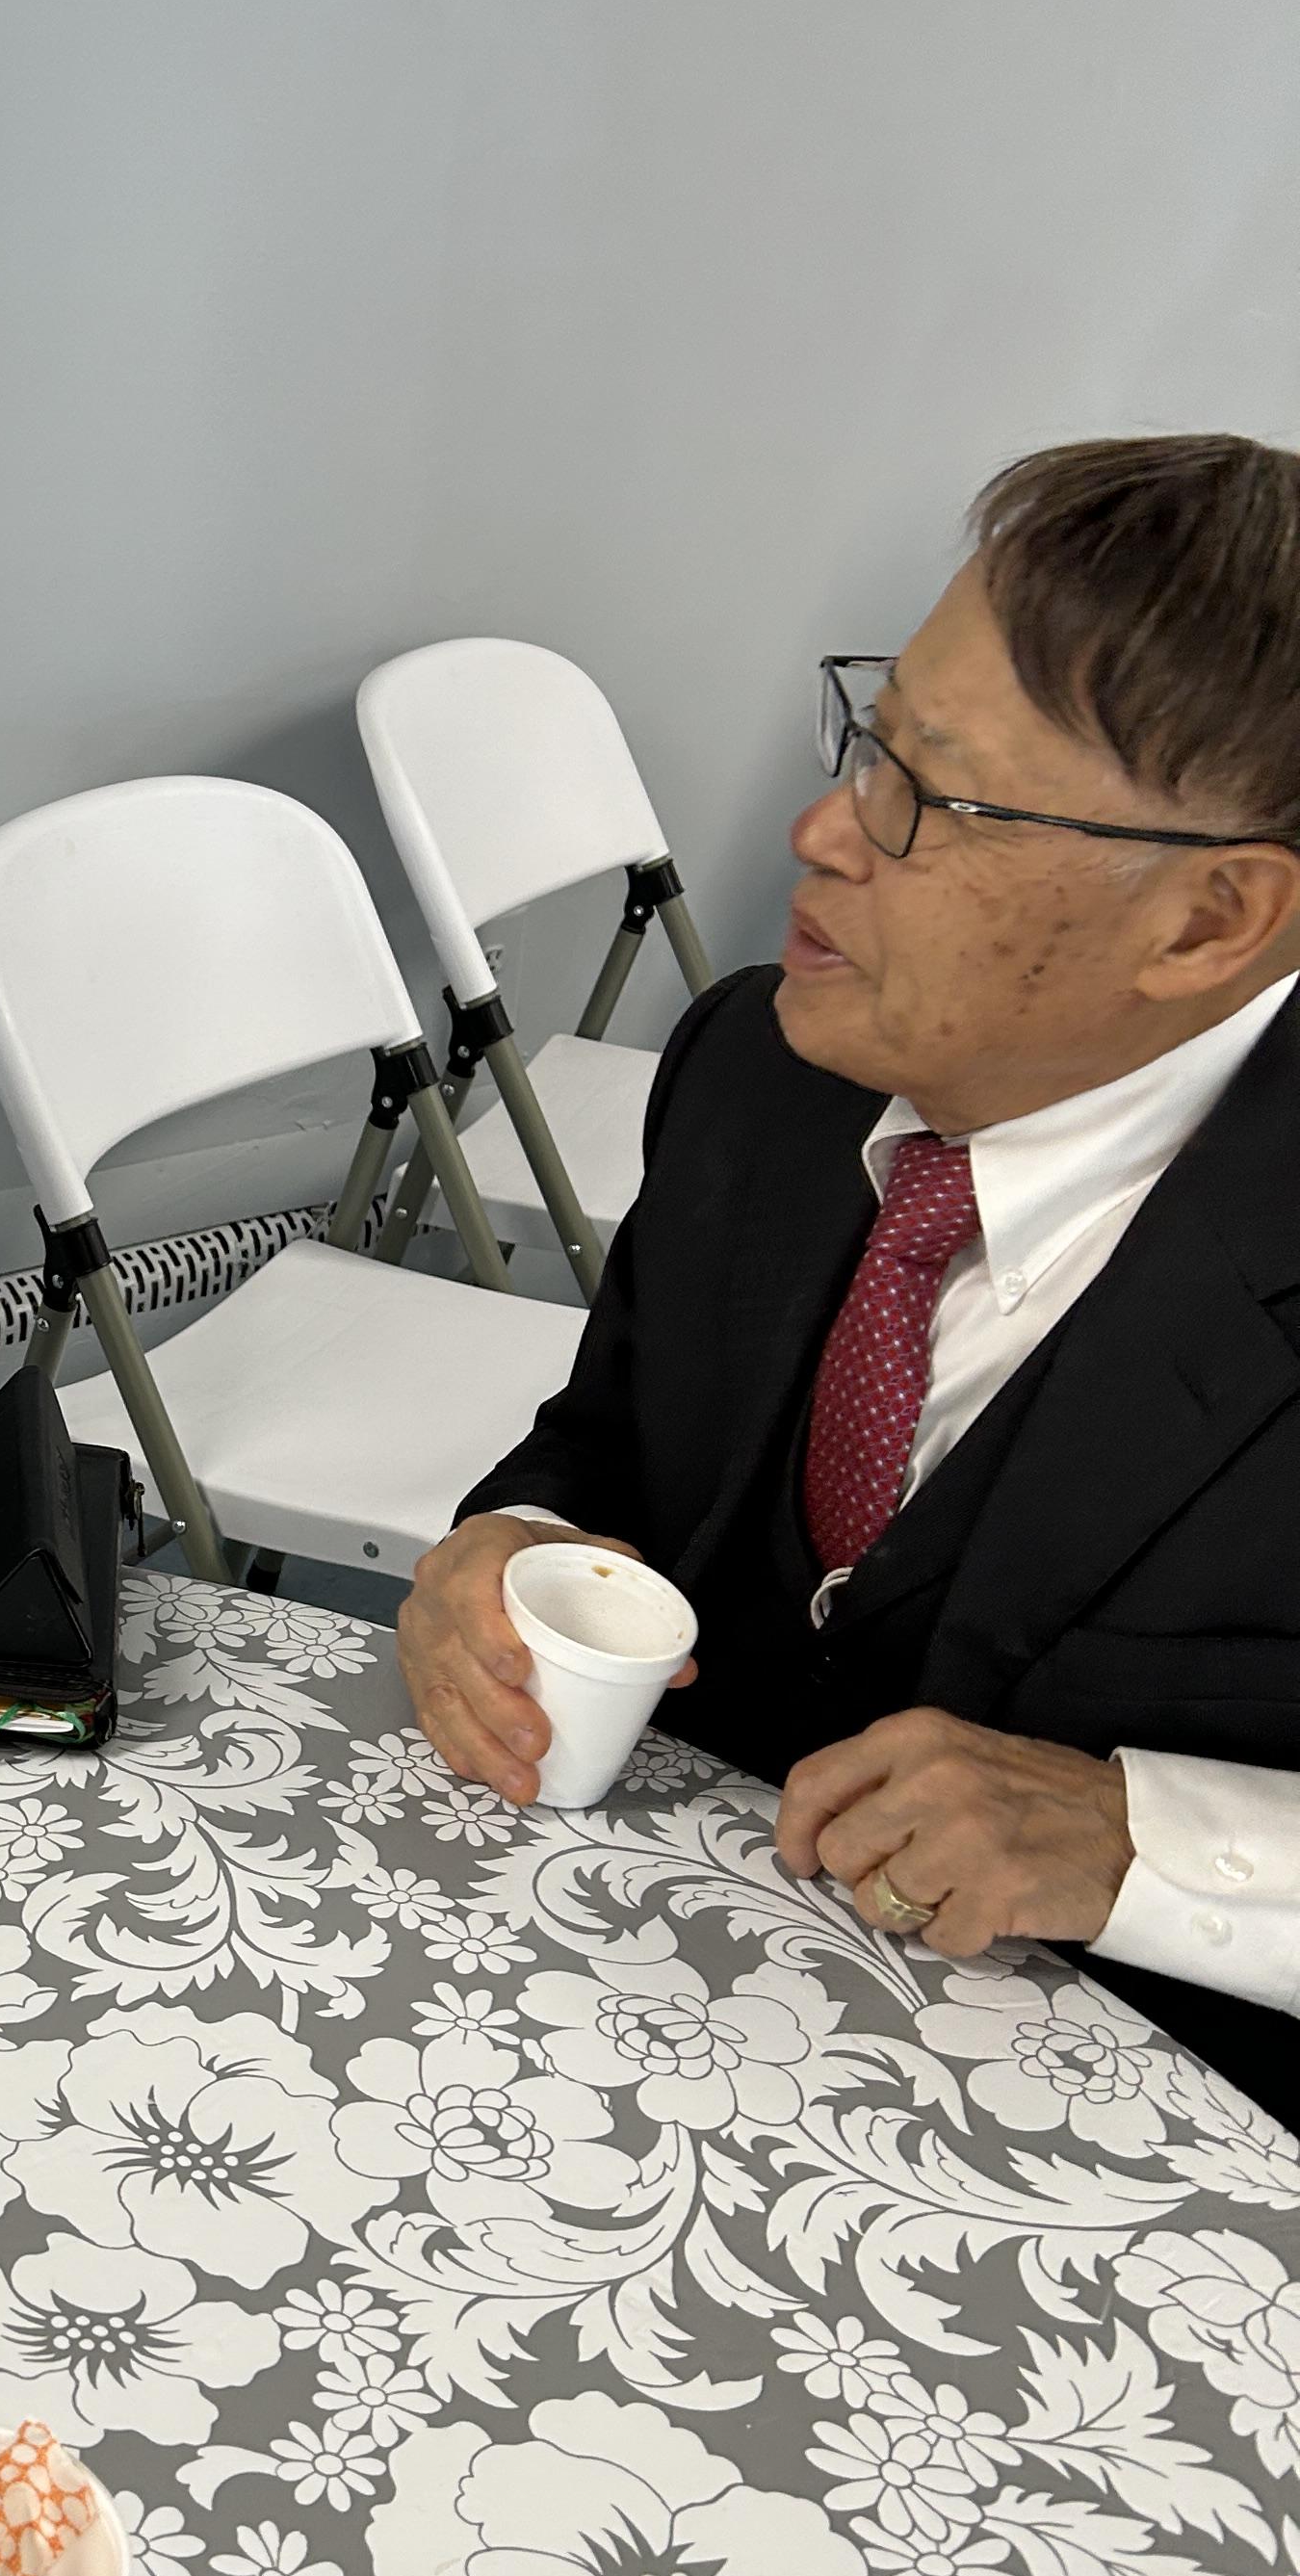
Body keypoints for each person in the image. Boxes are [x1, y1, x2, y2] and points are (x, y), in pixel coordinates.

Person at [399, 433, 1300, 2104]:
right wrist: (507, 1550)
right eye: (869, 744)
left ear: (1207, 922)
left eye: (936, 803)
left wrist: (1146, 1842)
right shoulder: (759, 1066)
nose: (820, 831)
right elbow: (609, 1448)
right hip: (641, 2022)